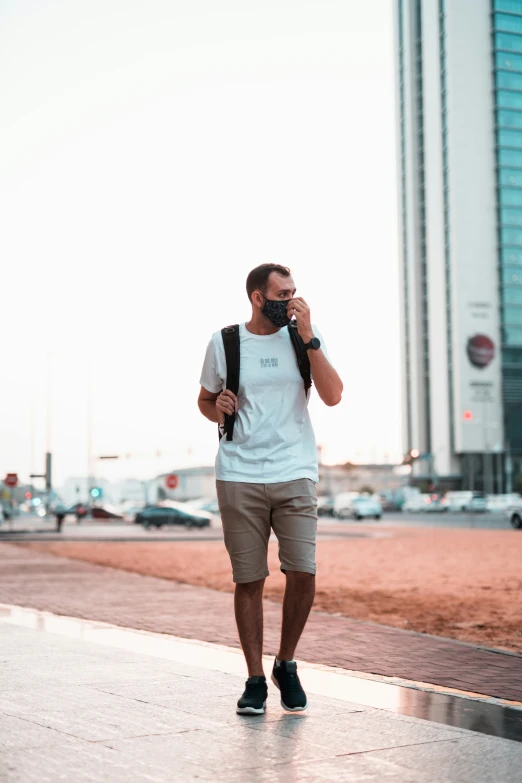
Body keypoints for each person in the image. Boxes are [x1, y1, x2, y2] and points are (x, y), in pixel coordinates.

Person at [198, 263, 343, 714]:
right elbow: (204, 400)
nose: (292, 300)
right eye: (283, 294)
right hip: (238, 473)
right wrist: (216, 406)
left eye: (295, 292)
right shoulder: (224, 342)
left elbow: (334, 394)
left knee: (303, 571)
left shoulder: (304, 338)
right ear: (259, 298)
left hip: (295, 471)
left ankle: (286, 662)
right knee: (249, 579)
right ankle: (256, 679)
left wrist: (310, 337)